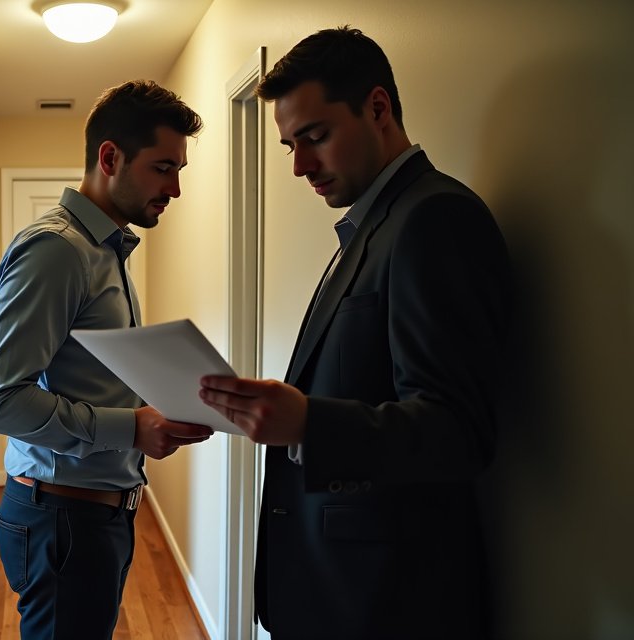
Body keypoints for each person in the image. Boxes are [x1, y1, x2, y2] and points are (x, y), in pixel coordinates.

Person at [199, 27, 511, 638]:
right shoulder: (373, 226)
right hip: (335, 590)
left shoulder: (435, 219)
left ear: (377, 108)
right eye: (290, 145)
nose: (299, 167)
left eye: (314, 137)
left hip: (389, 603)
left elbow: (459, 431)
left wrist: (310, 424)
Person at [0, 79, 211, 639]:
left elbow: (85, 373)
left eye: (179, 170)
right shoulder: (58, 249)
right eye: (162, 167)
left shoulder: (106, 249)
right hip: (63, 519)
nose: (175, 188)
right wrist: (131, 428)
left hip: (91, 514)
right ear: (111, 157)